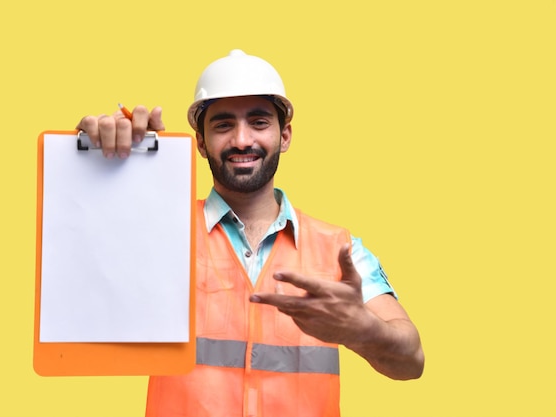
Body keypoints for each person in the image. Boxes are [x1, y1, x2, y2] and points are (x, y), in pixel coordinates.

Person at [77, 49, 424, 417]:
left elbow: (411, 360)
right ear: (200, 142)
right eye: (224, 125)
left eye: (258, 122)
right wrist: (97, 168)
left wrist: (362, 329)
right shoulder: (159, 232)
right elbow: (81, 266)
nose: (242, 140)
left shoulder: (340, 250)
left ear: (285, 135)